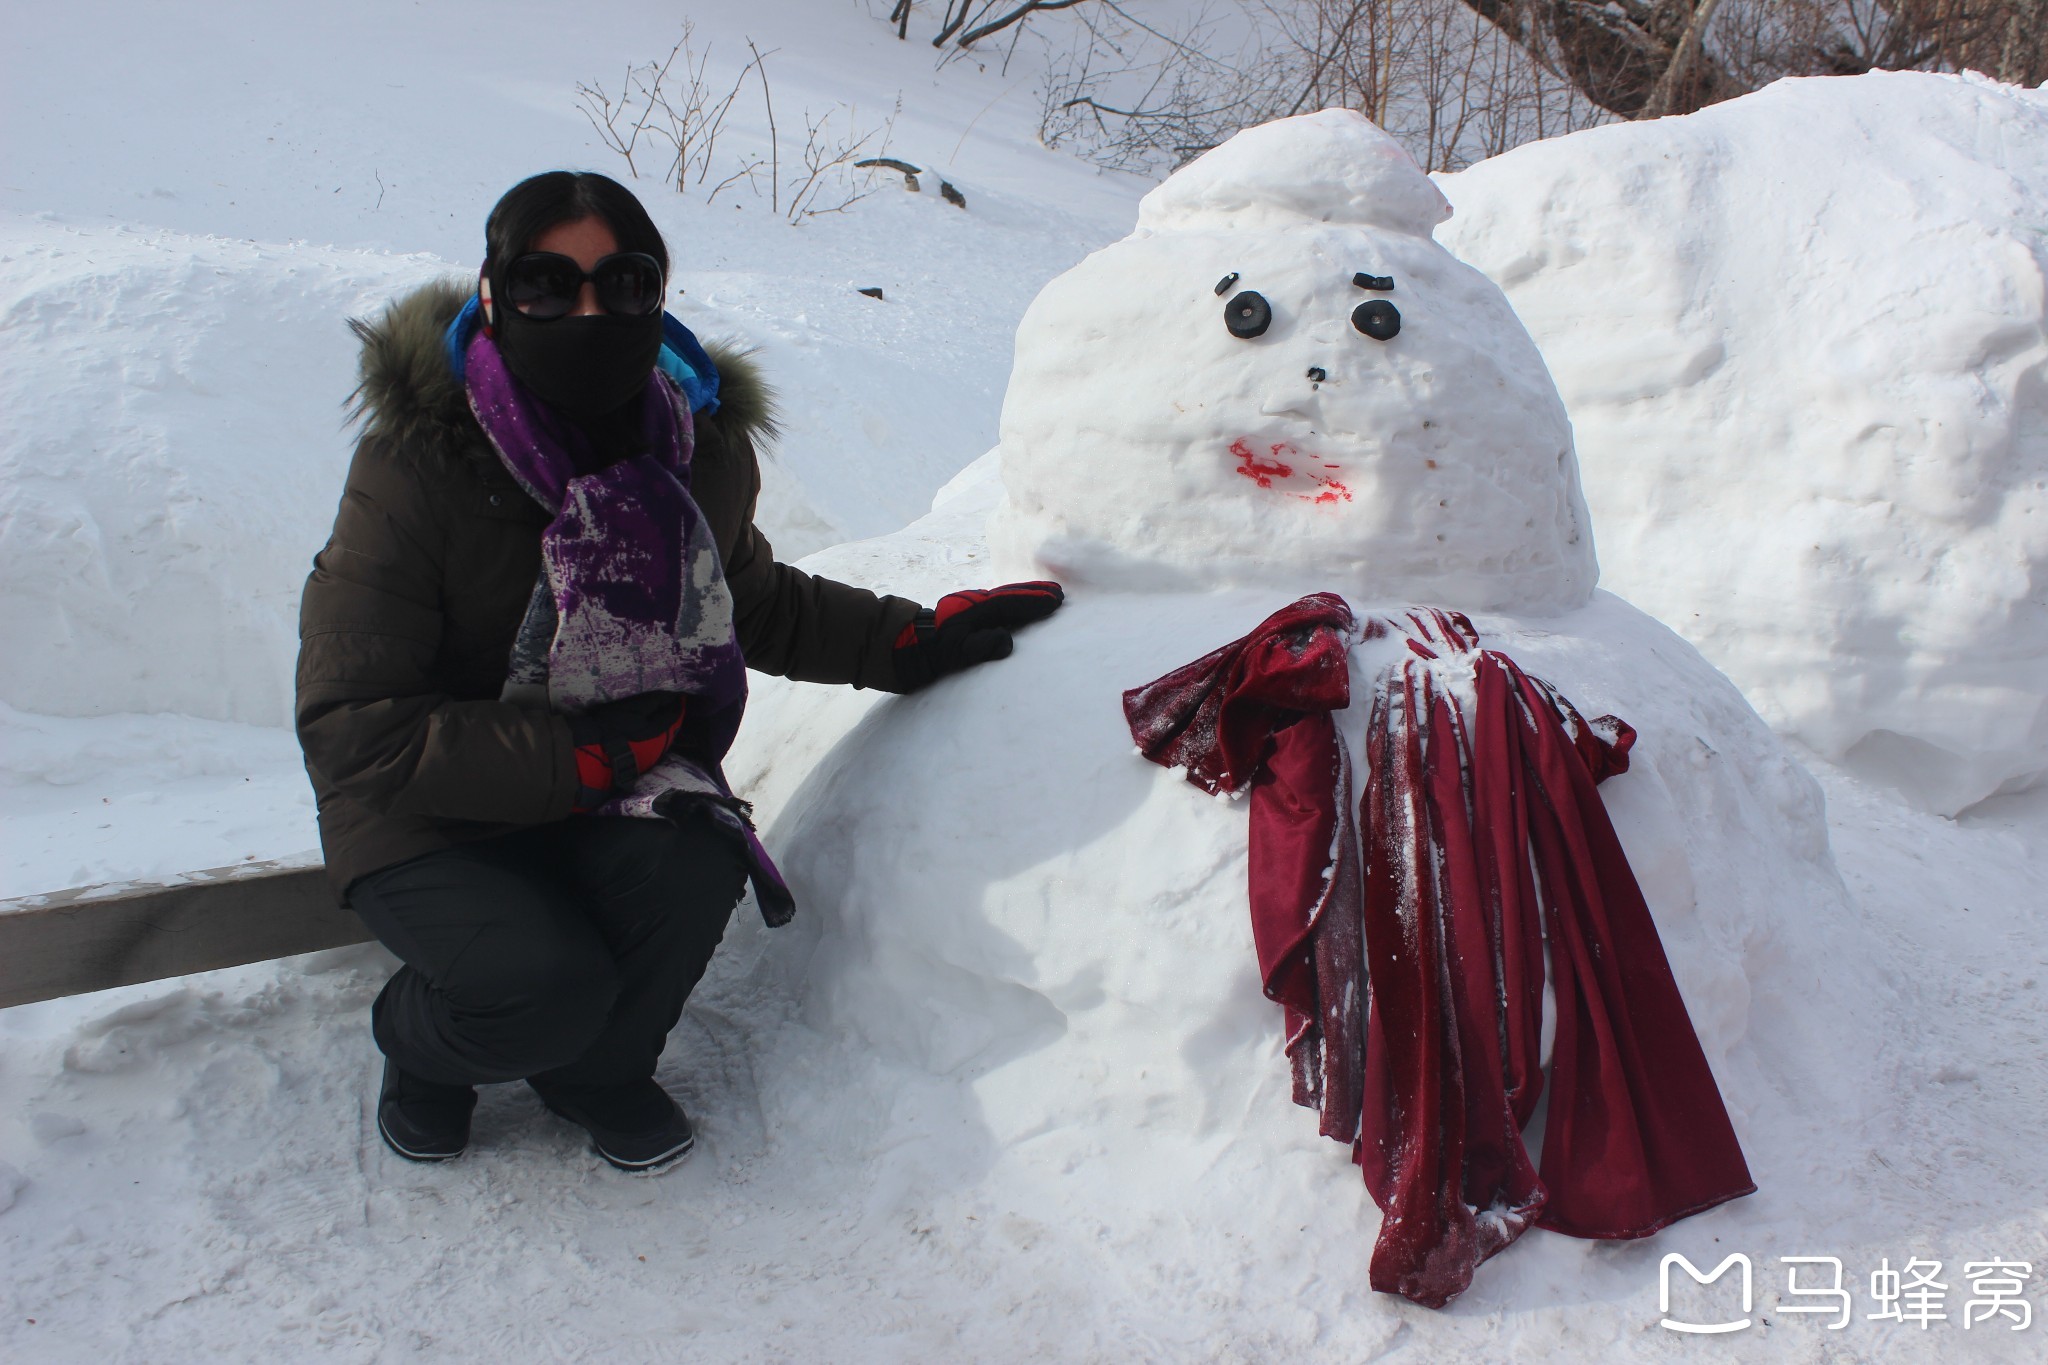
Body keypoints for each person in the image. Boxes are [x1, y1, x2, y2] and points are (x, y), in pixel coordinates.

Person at [295, 170, 1062, 1172]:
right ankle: (424, 1044)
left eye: (619, 283)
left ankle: (596, 1071)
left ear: (654, 296)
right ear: (492, 295)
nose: (583, 310)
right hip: (428, 811)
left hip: (610, 782)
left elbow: (754, 600)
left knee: (701, 850)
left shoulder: (690, 446)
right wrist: (576, 757)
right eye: (542, 282)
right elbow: (357, 729)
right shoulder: (419, 462)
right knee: (539, 987)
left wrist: (914, 642)